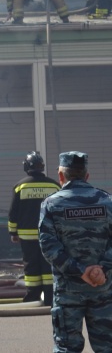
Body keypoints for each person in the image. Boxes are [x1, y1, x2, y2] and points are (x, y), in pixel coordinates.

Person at [39, 151, 112, 353]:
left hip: (68, 292)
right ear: (86, 175)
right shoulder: (107, 202)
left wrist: (80, 271)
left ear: (61, 176)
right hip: (103, 290)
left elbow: (48, 245)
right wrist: (101, 270)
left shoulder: (51, 204)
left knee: (67, 348)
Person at [8, 151, 61, 304]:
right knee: (48, 265)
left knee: (31, 267)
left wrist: (13, 232)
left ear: (26, 166)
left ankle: (32, 297)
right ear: (42, 167)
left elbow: (13, 212)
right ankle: (50, 298)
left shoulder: (20, 186)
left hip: (27, 236)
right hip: (50, 235)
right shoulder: (54, 186)